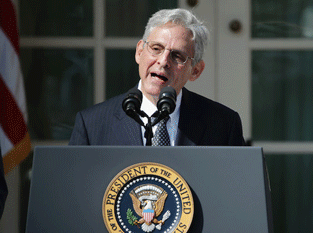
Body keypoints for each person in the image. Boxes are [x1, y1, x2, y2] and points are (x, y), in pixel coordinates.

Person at [69, 8, 245, 147]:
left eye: (177, 56)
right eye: (156, 48)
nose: (163, 61)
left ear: (195, 71)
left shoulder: (224, 125)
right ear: (139, 51)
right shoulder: (92, 124)